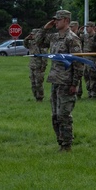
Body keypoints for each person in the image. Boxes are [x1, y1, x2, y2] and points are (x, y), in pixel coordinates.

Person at [35, 10, 83, 152]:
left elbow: (78, 63)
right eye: (55, 20)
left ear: (66, 21)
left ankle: (67, 145)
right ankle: (60, 142)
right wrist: (45, 28)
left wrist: (75, 83)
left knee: (64, 115)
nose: (55, 22)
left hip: (67, 82)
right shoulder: (55, 37)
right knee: (55, 116)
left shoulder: (72, 38)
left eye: (58, 20)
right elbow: (38, 42)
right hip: (55, 80)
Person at [25, 29, 46, 102]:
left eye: (33, 34)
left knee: (38, 83)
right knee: (33, 83)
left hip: (38, 66)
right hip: (32, 66)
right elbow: (25, 45)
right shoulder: (31, 43)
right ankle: (35, 96)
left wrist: (43, 67)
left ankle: (40, 97)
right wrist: (26, 39)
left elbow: (44, 56)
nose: (32, 35)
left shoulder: (41, 44)